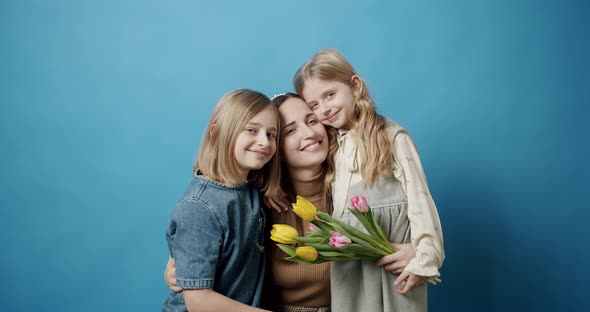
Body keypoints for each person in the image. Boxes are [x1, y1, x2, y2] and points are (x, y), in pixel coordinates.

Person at [292, 49, 445, 312]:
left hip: (395, 265)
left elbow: (420, 200)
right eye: (314, 105)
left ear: (355, 85)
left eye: (330, 94)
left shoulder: (392, 138)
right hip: (350, 267)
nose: (325, 109)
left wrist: (424, 255)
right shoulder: (331, 147)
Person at [162, 89, 281, 312]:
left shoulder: (250, 190)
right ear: (216, 133)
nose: (264, 141)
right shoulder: (199, 207)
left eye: (271, 134)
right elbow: (199, 302)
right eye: (251, 130)